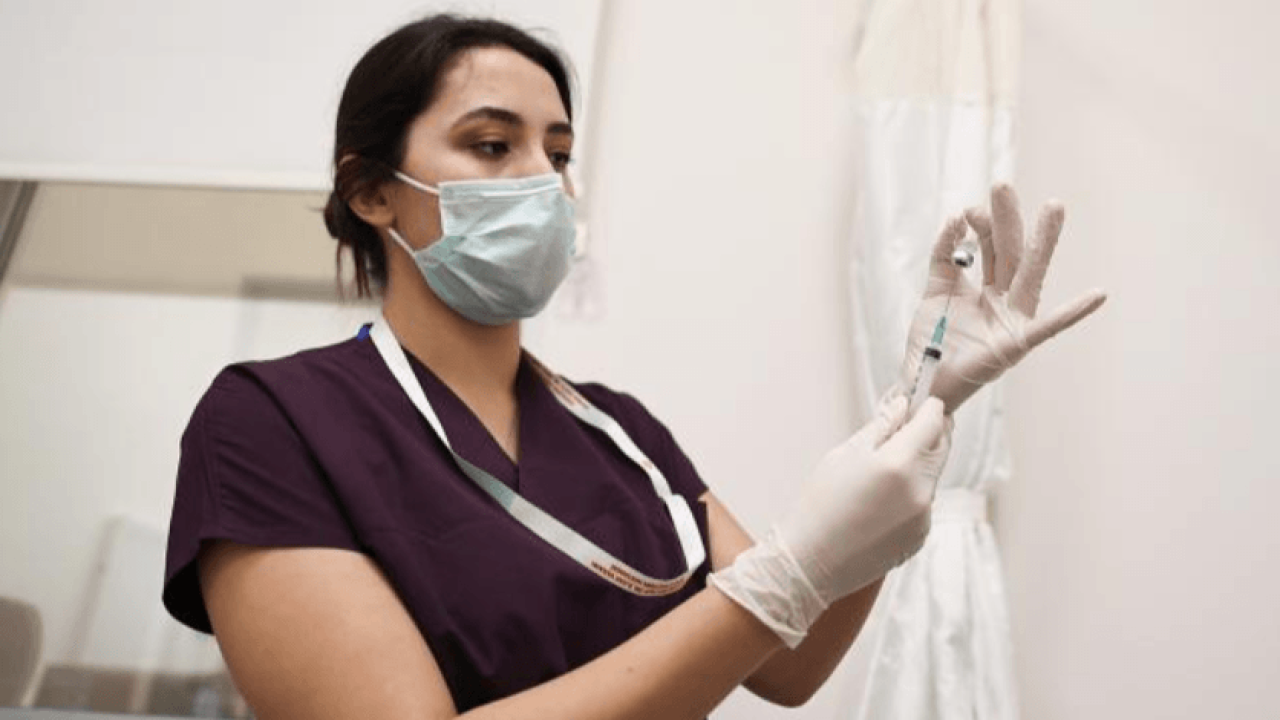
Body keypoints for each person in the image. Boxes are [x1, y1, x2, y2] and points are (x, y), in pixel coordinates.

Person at [162, 13, 1106, 720]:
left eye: (558, 152)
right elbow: (773, 599)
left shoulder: (618, 432)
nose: (542, 180)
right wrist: (785, 574)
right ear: (372, 191)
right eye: (491, 145)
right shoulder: (271, 422)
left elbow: (789, 665)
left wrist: (920, 411)